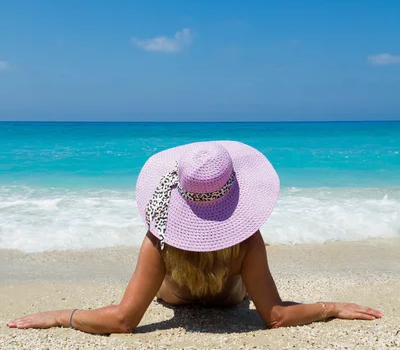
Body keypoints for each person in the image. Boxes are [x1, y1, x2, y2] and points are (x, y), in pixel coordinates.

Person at [7, 141, 383, 333]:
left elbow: (123, 321)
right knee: (252, 286)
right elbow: (277, 316)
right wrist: (329, 308)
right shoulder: (247, 240)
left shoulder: (161, 237)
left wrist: (60, 316)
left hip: (173, 300)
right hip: (232, 300)